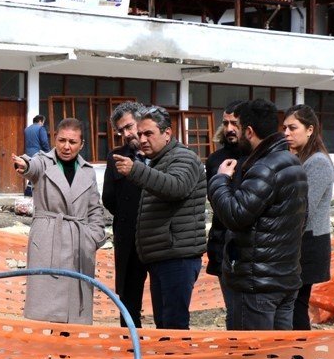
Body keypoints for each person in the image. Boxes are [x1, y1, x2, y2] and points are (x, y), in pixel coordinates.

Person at [207, 99, 308, 330]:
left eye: (238, 127)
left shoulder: (265, 167)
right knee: (276, 358)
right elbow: (302, 219)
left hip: (258, 285)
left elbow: (235, 214)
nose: (233, 132)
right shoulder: (293, 163)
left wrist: (220, 179)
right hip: (284, 280)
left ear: (249, 131)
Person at [111, 106, 207, 330]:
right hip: (162, 255)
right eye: (140, 134)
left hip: (177, 256)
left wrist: (136, 171)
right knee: (164, 323)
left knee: (173, 325)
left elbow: (176, 187)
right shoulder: (158, 161)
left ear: (167, 133)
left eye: (148, 134)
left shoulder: (183, 157)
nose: (141, 139)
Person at [12, 118, 108, 325]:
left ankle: (67, 352)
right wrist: (24, 164)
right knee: (45, 308)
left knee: (74, 310)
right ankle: (46, 351)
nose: (66, 146)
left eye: (72, 142)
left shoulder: (88, 171)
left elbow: (94, 207)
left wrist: (94, 236)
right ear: (54, 139)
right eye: (62, 140)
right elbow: (32, 166)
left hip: (80, 242)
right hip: (48, 240)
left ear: (81, 144)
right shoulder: (43, 162)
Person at [283, 104, 334, 330]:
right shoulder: (299, 159)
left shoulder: (318, 162)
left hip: (309, 243)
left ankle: (299, 355)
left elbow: (303, 210)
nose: (287, 133)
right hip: (298, 241)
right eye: (284, 128)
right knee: (291, 304)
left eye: (293, 128)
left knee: (296, 305)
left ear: (310, 129)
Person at [101, 101, 148, 328]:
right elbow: (108, 198)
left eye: (130, 126)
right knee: (129, 301)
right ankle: (131, 345)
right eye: (122, 130)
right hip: (128, 239)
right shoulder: (115, 157)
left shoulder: (161, 155)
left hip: (159, 239)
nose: (127, 134)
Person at [205, 101, 244, 312]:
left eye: (235, 123)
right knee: (233, 312)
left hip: (250, 248)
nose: (229, 129)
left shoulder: (257, 158)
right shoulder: (215, 160)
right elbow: (215, 201)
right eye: (225, 123)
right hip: (222, 244)